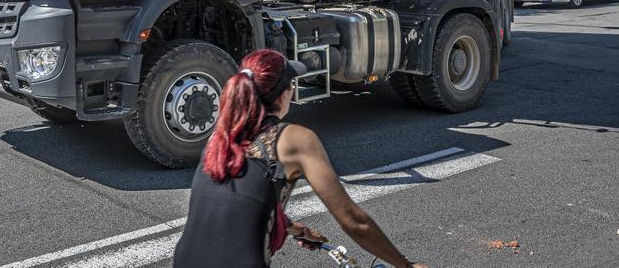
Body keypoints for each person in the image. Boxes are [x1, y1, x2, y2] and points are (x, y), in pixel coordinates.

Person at [173, 49, 428, 268]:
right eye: (291, 84)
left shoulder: (221, 136)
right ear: (283, 94)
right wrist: (405, 264)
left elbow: (242, 201)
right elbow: (353, 221)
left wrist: (295, 229)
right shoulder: (294, 139)